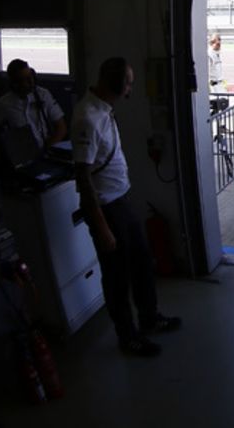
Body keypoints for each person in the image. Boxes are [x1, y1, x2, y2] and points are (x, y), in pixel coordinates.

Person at [72, 57, 181, 357]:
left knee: (143, 264)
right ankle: (127, 336)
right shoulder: (87, 118)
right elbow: (82, 177)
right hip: (107, 210)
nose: (131, 90)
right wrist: (102, 227)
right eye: (129, 83)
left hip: (122, 201)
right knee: (117, 277)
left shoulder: (104, 111)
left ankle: (149, 317)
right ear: (114, 83)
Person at [0, 59, 67, 150]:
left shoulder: (43, 94)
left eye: (30, 77)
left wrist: (48, 148)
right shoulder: (4, 103)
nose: (30, 81)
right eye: (25, 79)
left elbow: (61, 127)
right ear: (15, 83)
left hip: (46, 148)